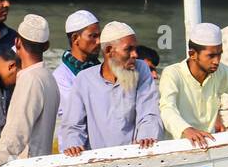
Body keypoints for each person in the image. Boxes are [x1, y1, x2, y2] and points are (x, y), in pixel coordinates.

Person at [0, 15, 61, 167]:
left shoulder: (30, 79)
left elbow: (17, 129)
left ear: (17, 43)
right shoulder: (49, 77)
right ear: (46, 46)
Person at [58, 21, 162, 154]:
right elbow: (73, 125)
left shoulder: (141, 68)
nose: (135, 55)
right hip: (97, 160)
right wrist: (74, 145)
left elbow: (149, 113)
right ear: (109, 51)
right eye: (128, 49)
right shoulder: (84, 79)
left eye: (135, 48)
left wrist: (146, 137)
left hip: (135, 155)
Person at [53, 9, 101, 103]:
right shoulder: (61, 78)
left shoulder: (100, 69)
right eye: (93, 36)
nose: (99, 41)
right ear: (75, 38)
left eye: (99, 36)